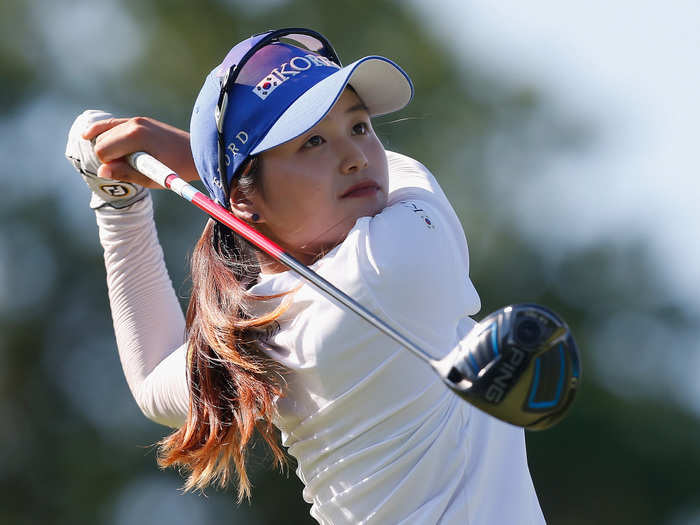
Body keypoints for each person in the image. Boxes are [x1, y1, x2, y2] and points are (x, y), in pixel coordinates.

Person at [66, 28, 545, 524]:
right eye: (313, 141)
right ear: (245, 202)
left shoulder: (257, 328)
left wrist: (119, 205)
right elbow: (404, 174)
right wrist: (198, 160)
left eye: (359, 127)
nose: (355, 156)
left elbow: (151, 378)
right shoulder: (398, 261)